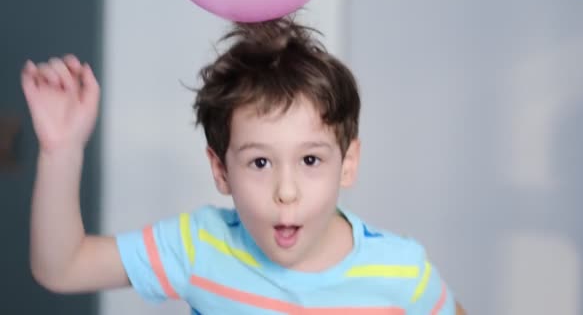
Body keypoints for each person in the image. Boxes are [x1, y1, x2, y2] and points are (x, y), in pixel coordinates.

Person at [23, 17, 466, 314]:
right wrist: (61, 150)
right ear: (221, 171)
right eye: (259, 162)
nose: (285, 191)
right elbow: (62, 268)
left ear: (348, 162)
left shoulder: (403, 272)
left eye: (310, 159)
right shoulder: (199, 246)